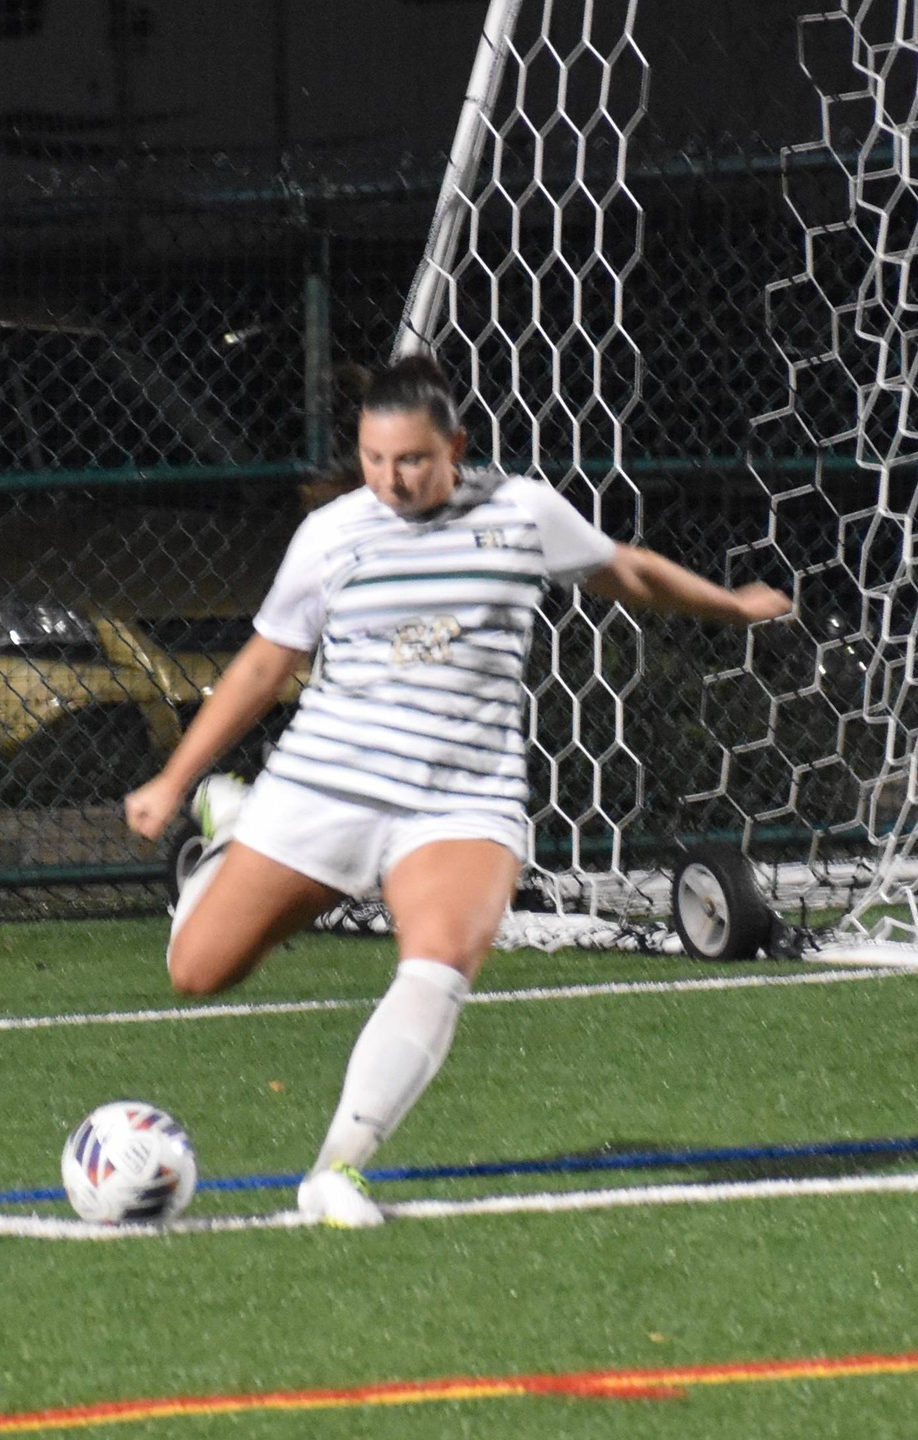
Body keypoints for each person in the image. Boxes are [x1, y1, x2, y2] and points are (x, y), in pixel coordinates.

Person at [123, 354, 792, 1227]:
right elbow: (264, 663)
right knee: (197, 972)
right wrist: (174, 778)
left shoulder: (520, 512)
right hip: (328, 782)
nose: (389, 479)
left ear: (455, 448)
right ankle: (230, 831)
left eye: (410, 460)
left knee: (437, 965)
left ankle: (337, 1171)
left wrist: (729, 608)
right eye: (371, 459)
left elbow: (623, 570)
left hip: (462, 798)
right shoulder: (330, 536)